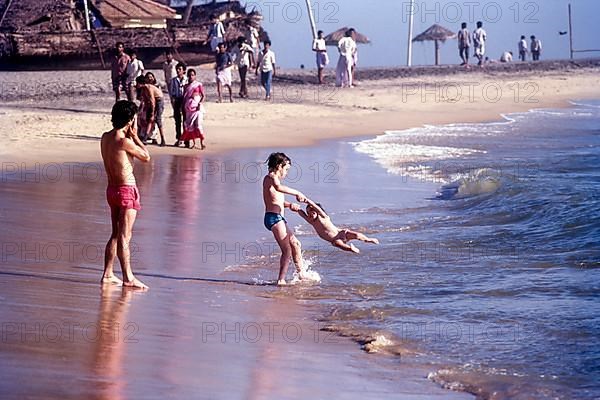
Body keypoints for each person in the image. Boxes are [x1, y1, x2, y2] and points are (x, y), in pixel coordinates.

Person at [100, 100, 150, 289]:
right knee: (124, 236)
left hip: (111, 190)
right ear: (130, 120)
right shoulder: (125, 141)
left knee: (115, 233)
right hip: (126, 190)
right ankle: (128, 277)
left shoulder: (105, 137)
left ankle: (108, 274)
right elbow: (146, 157)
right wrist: (136, 137)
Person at [262, 152, 316, 285]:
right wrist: (297, 192)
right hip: (274, 218)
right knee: (287, 250)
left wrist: (289, 205)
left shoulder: (274, 179)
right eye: (286, 169)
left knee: (296, 244)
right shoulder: (271, 177)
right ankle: (281, 280)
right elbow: (278, 188)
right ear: (279, 166)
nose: (286, 173)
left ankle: (301, 273)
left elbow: (275, 200)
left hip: (278, 217)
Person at [295, 203, 379, 253]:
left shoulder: (324, 217)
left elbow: (316, 208)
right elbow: (302, 214)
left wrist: (307, 201)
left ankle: (368, 239)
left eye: (312, 212)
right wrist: (296, 208)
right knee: (340, 245)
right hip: (335, 239)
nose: (309, 215)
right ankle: (351, 249)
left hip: (340, 233)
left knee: (357, 235)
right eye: (308, 213)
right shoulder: (311, 221)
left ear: (317, 212)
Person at [136, 75, 166, 146]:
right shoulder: (143, 89)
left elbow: (153, 101)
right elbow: (145, 100)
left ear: (141, 83)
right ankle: (145, 138)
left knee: (158, 119)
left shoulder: (149, 88)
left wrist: (152, 113)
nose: (136, 85)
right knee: (149, 119)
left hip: (159, 101)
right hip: (153, 102)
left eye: (137, 83)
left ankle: (163, 139)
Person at [180, 68, 206, 150]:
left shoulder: (198, 85)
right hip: (188, 108)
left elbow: (203, 96)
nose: (191, 76)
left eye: (193, 75)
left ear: (195, 76)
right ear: (187, 76)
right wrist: (182, 108)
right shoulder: (186, 86)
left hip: (197, 108)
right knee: (190, 126)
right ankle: (194, 143)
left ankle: (202, 143)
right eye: (190, 75)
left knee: (198, 125)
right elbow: (184, 98)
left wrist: (199, 103)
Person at [169, 62, 188, 147]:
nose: (178, 71)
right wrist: (173, 103)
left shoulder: (187, 79)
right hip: (177, 100)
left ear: (184, 71)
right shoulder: (173, 80)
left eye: (180, 69)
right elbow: (172, 93)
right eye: (177, 69)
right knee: (177, 121)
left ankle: (186, 139)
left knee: (185, 121)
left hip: (185, 100)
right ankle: (179, 138)